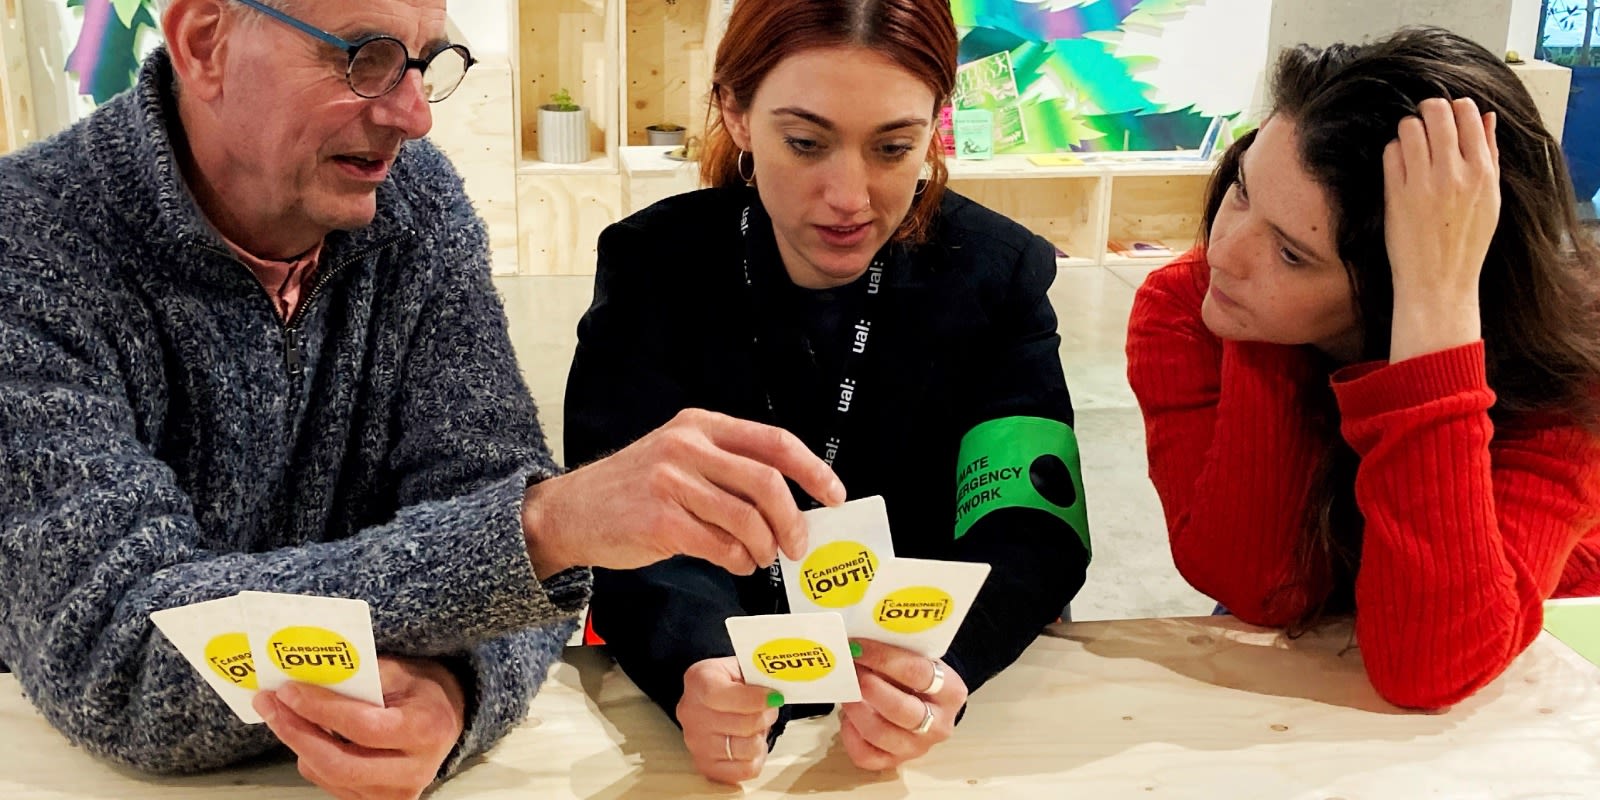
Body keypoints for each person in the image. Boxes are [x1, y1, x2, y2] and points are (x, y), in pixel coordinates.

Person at [0, 0, 846, 797]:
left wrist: (456, 692)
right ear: (203, 41)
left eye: (427, 62)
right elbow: (113, 652)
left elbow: (512, 566)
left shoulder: (414, 206)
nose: (415, 114)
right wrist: (539, 528)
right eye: (364, 57)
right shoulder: (29, 243)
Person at [565, 0, 1091, 784]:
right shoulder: (655, 267)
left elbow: (1030, 523)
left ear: (936, 125)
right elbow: (625, 524)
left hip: (918, 703)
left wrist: (944, 670)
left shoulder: (996, 275)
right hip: (718, 702)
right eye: (806, 143)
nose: (850, 196)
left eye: (893, 147)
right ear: (736, 113)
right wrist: (700, 666)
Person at [1127, 26, 1600, 710]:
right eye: (1242, 189)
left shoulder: (1565, 376)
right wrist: (1268, 335)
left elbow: (1430, 666)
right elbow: (1258, 586)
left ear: (1393, 286)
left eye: (1292, 254)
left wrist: (1434, 320)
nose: (1225, 253)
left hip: (1546, 665)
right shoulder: (1186, 307)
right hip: (1315, 664)